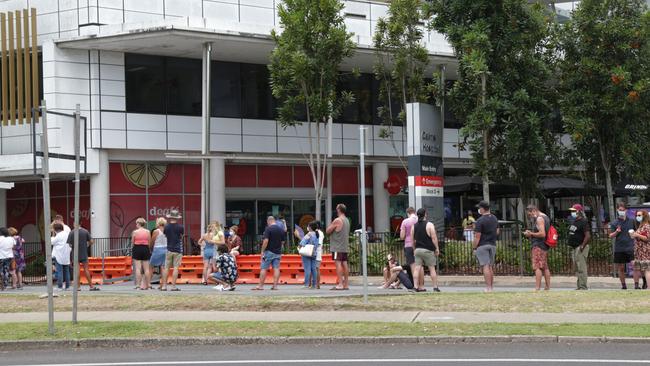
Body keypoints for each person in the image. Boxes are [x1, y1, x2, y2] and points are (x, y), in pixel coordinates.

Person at [410, 208, 441, 293]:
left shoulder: (414, 226)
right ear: (425, 214)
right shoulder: (429, 225)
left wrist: (414, 249)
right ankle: (435, 287)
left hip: (418, 250)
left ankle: (415, 286)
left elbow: (412, 240)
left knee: (417, 268)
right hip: (428, 250)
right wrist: (437, 248)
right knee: (432, 269)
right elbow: (434, 238)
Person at [252, 216, 285, 290]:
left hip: (268, 251)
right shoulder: (281, 230)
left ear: (269, 221)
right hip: (278, 252)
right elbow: (283, 242)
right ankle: (275, 286)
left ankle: (260, 286)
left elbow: (266, 241)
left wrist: (262, 251)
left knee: (264, 268)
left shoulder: (268, 229)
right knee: (276, 268)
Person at [524, 205, 551, 291]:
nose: (530, 216)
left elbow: (542, 233)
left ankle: (537, 287)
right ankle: (547, 286)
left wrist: (531, 234)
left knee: (537, 266)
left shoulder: (539, 219)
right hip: (544, 245)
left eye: (530, 214)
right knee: (545, 266)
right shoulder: (545, 217)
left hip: (539, 245)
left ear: (534, 211)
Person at [609, 202, 636, 290]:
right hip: (619, 248)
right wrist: (616, 231)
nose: (621, 212)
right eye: (619, 210)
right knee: (620, 268)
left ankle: (637, 285)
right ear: (617, 210)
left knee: (635, 266)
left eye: (623, 210)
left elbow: (637, 232)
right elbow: (610, 235)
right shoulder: (614, 222)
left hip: (630, 247)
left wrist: (634, 235)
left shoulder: (632, 221)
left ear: (626, 210)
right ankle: (623, 286)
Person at [473, 201, 498, 293]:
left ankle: (488, 287)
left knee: (485, 266)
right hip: (492, 244)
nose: (479, 210)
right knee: (490, 266)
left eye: (479, 208)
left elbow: (477, 236)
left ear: (482, 209)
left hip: (483, 245)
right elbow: (497, 231)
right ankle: (491, 287)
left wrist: (474, 247)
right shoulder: (494, 218)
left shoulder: (480, 221)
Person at [67, 223, 99, 291]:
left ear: (74, 224)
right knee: (86, 269)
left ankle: (78, 287)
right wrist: (87, 244)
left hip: (75, 254)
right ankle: (91, 286)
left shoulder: (72, 232)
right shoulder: (85, 231)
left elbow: (69, 244)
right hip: (84, 253)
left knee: (77, 270)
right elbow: (92, 241)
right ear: (80, 223)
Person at [326, 203, 351, 291]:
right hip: (344, 246)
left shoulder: (338, 220)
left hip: (337, 246)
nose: (336, 210)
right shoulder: (347, 220)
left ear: (339, 210)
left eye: (337, 209)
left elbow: (328, 231)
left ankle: (340, 284)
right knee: (344, 263)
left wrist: (331, 226)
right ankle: (346, 284)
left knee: (338, 263)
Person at [567, 204, 591, 290]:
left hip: (580, 247)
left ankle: (583, 286)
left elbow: (587, 235)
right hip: (574, 247)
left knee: (582, 267)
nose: (572, 212)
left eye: (574, 211)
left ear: (579, 211)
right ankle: (579, 285)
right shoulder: (575, 221)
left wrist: (582, 246)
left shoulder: (583, 221)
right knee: (577, 268)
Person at [163, 209, 184, 291]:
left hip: (168, 248)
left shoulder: (166, 227)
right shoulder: (180, 227)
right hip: (177, 249)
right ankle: (173, 286)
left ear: (170, 217)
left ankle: (164, 286)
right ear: (177, 218)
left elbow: (165, 235)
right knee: (176, 268)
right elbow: (181, 236)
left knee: (166, 268)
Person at [399, 207, 419, 287]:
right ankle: (421, 284)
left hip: (409, 245)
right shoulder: (419, 220)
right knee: (419, 266)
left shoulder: (405, 221)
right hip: (419, 245)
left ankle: (415, 284)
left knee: (413, 265)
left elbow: (402, 236)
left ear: (408, 213)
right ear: (414, 212)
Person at [131, 217, 152, 290]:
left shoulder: (135, 232)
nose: (136, 225)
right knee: (146, 269)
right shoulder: (148, 232)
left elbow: (132, 242)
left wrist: (134, 248)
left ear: (139, 223)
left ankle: (138, 285)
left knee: (138, 268)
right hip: (145, 248)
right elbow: (149, 242)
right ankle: (148, 284)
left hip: (137, 248)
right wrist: (148, 248)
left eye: (136, 223)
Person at [298, 221, 320, 289]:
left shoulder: (309, 234)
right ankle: (314, 284)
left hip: (307, 253)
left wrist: (299, 248)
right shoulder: (317, 234)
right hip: (314, 253)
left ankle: (306, 284)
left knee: (307, 269)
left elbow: (302, 243)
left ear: (310, 227)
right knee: (314, 269)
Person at [631, 210, 650, 290]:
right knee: (638, 268)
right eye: (637, 215)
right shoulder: (640, 226)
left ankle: (649, 287)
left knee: (646, 269)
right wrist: (633, 235)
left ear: (644, 216)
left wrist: (637, 234)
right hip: (639, 251)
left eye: (639, 215)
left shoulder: (647, 226)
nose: (637, 217)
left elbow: (647, 238)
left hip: (645, 251)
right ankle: (638, 285)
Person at [51, 223, 71, 291]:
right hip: (66, 255)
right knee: (66, 271)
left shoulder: (58, 235)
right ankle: (67, 286)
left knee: (59, 271)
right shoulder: (67, 234)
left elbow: (52, 242)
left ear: (55, 229)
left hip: (59, 255)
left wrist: (53, 235)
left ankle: (60, 286)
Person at [149, 217, 167, 289]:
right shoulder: (167, 231)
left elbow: (152, 241)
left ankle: (148, 283)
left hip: (157, 249)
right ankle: (162, 284)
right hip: (165, 249)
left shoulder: (156, 231)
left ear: (158, 223)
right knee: (163, 267)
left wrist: (150, 249)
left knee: (151, 266)